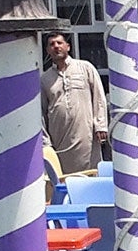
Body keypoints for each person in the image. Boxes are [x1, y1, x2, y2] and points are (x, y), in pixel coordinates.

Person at [39, 32, 107, 176]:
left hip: (86, 133)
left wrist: (100, 125)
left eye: (59, 43)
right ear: (47, 51)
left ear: (68, 47)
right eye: (52, 44)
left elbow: (99, 97)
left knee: (91, 172)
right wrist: (45, 142)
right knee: (64, 176)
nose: (56, 47)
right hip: (60, 137)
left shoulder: (85, 68)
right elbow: (41, 112)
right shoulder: (45, 79)